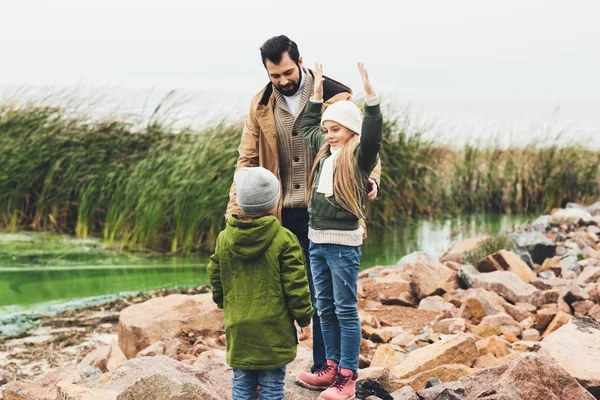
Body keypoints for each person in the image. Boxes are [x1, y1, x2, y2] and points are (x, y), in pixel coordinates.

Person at [225, 34, 381, 374]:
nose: (281, 81)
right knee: (286, 291)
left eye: (286, 73)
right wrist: (234, 214)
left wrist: (371, 181)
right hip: (279, 214)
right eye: (273, 76)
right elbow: (246, 161)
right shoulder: (261, 104)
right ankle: (273, 367)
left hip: (327, 213)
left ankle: (328, 366)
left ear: (300, 61)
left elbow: (364, 143)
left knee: (326, 298)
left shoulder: (337, 96)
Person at [295, 62, 383, 400]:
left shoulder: (359, 156)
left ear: (350, 129)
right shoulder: (324, 150)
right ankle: (329, 367)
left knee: (345, 308)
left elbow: (374, 134)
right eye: (327, 129)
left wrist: (371, 97)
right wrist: (316, 98)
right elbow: (307, 126)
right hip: (316, 241)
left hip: (342, 245)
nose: (330, 134)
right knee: (323, 307)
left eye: (336, 129)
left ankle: (347, 376)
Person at [208, 166, 314, 399]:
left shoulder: (224, 238)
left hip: (239, 326)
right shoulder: (284, 238)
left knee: (242, 384)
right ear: (273, 203)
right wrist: (304, 318)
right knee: (273, 386)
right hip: (274, 328)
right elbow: (296, 285)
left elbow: (215, 274)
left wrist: (224, 302)